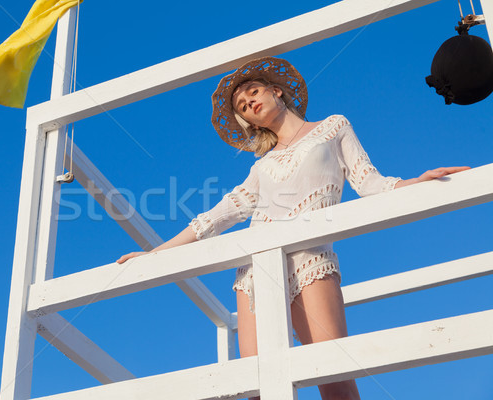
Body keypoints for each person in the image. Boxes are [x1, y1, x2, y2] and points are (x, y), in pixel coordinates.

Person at [116, 56, 470, 400]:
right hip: (256, 272)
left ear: (277, 91)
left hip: (311, 260)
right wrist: (153, 255)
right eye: (241, 105)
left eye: (252, 92)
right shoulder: (261, 167)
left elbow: (371, 183)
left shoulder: (333, 127)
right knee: (257, 388)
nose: (248, 102)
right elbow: (215, 218)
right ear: (248, 123)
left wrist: (416, 181)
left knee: (335, 381)